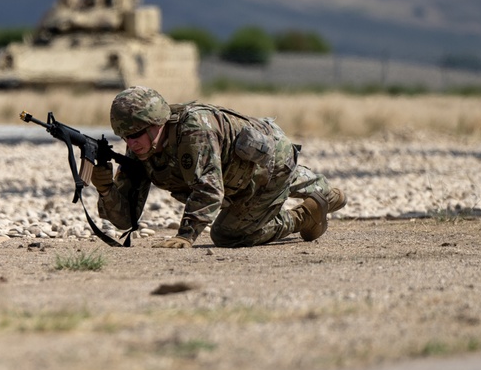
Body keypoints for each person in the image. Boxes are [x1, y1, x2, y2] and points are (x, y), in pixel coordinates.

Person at [91, 86, 345, 248]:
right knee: (258, 188)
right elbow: (126, 220)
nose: (131, 142)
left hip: (269, 164)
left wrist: (185, 235)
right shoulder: (140, 146)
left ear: (158, 122)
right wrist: (105, 190)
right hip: (240, 173)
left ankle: (305, 217)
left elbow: (209, 190)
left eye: (136, 134)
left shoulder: (193, 130)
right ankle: (325, 195)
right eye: (125, 136)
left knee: (228, 234)